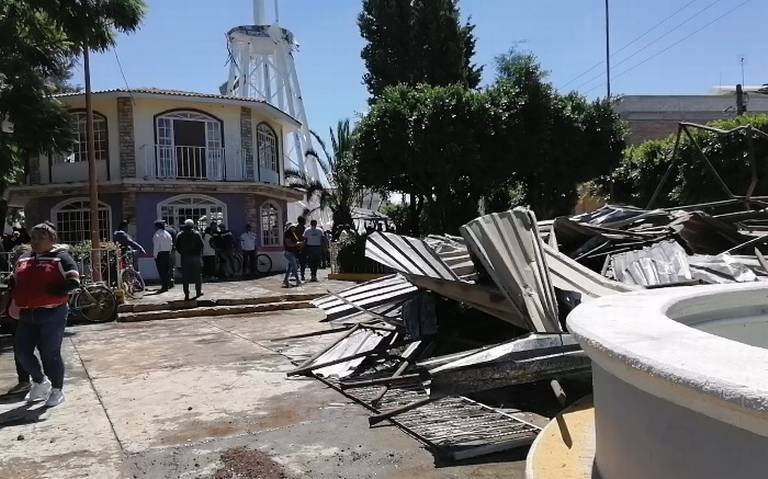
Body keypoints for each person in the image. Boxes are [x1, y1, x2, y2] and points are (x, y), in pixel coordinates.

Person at [10, 223, 80, 407]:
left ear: (52, 240)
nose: (35, 241)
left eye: (41, 237)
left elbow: (74, 281)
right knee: (22, 352)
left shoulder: (61, 258)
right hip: (27, 313)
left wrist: (56, 290)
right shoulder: (23, 258)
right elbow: (15, 279)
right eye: (33, 238)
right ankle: (41, 382)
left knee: (50, 353)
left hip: (53, 312)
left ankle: (57, 390)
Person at [175, 219, 204, 301]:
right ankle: (198, 292)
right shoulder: (197, 234)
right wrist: (198, 254)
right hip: (195, 257)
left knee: (185, 276)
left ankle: (186, 294)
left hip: (185, 257)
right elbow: (201, 245)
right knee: (197, 275)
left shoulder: (180, 234)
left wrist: (182, 253)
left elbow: (177, 246)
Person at [152, 220, 173, 292]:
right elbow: (171, 245)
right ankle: (167, 285)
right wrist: (169, 252)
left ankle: (164, 286)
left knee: (161, 271)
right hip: (167, 253)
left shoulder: (157, 234)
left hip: (160, 254)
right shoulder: (167, 234)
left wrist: (155, 256)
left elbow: (156, 247)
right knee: (166, 271)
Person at [282, 223, 302, 288]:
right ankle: (297, 280)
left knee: (290, 267)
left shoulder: (293, 233)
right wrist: (297, 244)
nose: (293, 229)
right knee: (295, 267)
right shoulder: (287, 234)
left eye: (294, 227)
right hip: (289, 253)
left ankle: (285, 280)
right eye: (292, 228)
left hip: (293, 252)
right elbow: (288, 244)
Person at [295, 216, 307, 281]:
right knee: (302, 263)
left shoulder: (295, 228)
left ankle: (297, 275)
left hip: (296, 246)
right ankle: (302, 275)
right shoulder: (304, 229)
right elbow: (306, 238)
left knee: (296, 262)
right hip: (302, 247)